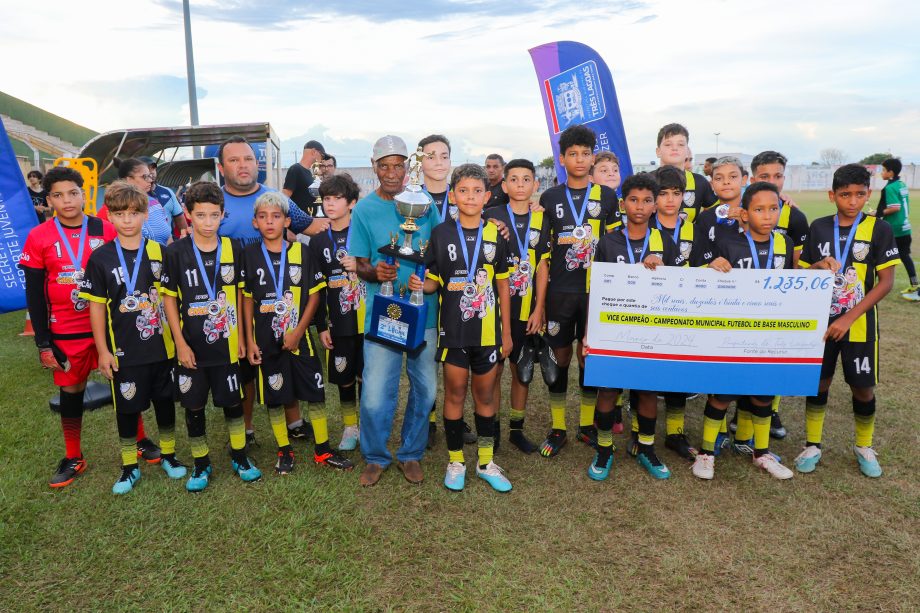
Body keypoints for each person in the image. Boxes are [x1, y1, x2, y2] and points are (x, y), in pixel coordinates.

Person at [20, 166, 158, 488]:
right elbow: (35, 295)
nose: (66, 201)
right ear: (48, 198)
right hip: (67, 331)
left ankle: (138, 439)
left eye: (73, 193)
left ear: (85, 194)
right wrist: (43, 342)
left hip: (112, 327)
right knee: (71, 391)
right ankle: (73, 456)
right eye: (57, 195)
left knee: (126, 384)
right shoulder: (39, 236)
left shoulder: (107, 229)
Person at [216, 136, 328, 447]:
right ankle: (248, 429)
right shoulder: (215, 203)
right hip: (233, 297)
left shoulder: (275, 197)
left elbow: (310, 226)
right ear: (222, 167)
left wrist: (342, 228)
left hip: (279, 295)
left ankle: (294, 422)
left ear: (257, 163)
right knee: (246, 367)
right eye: (235, 160)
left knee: (282, 354)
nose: (243, 165)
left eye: (248, 159)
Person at [79, 181, 187, 494]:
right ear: (109, 217)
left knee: (165, 404)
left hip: (162, 347)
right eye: (119, 213)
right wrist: (103, 351)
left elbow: (172, 300)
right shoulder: (100, 259)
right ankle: (129, 468)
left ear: (145, 215)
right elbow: (97, 309)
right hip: (123, 351)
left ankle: (168, 455)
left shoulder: (161, 253)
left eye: (133, 213)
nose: (127, 219)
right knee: (127, 410)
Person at [795, 164, 899, 478]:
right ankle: (813, 444)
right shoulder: (819, 227)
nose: (852, 201)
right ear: (832, 195)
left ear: (869, 194)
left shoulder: (879, 229)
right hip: (821, 325)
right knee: (819, 383)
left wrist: (849, 318)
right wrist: (816, 265)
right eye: (845, 195)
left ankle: (864, 446)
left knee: (862, 388)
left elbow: (886, 282)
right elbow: (802, 272)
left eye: (859, 194)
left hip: (860, 325)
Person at [349, 135, 441, 487]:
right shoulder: (364, 209)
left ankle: (411, 453)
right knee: (375, 393)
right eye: (384, 165)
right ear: (374, 168)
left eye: (398, 165)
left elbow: (440, 252)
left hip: (423, 311)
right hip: (383, 311)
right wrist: (377, 271)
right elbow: (359, 262)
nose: (391, 172)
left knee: (427, 390)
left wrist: (427, 280)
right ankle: (375, 456)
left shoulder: (425, 204)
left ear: (408, 167)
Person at [416, 163, 513, 492]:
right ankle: (456, 460)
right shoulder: (441, 233)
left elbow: (503, 287)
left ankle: (486, 462)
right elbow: (432, 283)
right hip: (453, 332)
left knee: (485, 395)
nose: (469, 196)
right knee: (455, 393)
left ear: (487, 196)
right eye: (463, 191)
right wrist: (419, 284)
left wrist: (507, 333)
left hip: (488, 333)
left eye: (476, 191)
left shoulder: (497, 234)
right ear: (453, 195)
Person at [690, 181, 796, 481]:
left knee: (763, 395)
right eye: (759, 209)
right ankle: (706, 453)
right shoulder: (728, 243)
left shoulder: (785, 244)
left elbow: (791, 285)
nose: (767, 215)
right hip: (732, 333)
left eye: (773, 209)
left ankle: (762, 454)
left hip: (767, 333)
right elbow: (704, 271)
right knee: (722, 394)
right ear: (744, 214)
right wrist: (712, 263)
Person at [243, 191, 354, 472]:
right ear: (255, 222)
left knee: (315, 392)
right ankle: (284, 451)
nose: (270, 222)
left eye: (276, 217)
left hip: (300, 339)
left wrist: (298, 332)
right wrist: (248, 339)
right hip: (266, 340)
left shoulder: (302, 252)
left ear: (287, 221)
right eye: (263, 217)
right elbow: (246, 299)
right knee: (274, 394)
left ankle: (322, 450)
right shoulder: (249, 255)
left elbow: (315, 296)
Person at [161, 181, 259, 492]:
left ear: (222, 215)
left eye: (214, 216)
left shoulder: (234, 249)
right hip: (192, 347)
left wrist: (244, 337)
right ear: (188, 214)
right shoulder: (175, 252)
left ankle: (240, 456)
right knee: (193, 406)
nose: (207, 222)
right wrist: (179, 343)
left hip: (228, 345)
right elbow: (168, 299)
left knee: (233, 401)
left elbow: (243, 296)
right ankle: (201, 463)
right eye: (200, 215)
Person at [537, 125, 621, 458]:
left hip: (595, 291)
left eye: (586, 153)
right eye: (573, 154)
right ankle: (558, 427)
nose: (580, 159)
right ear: (562, 159)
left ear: (592, 157)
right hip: (560, 290)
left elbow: (616, 244)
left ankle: (586, 425)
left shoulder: (607, 196)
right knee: (560, 357)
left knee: (589, 357)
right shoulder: (550, 198)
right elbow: (541, 249)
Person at [589, 173, 680, 480]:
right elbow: (596, 290)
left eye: (647, 200)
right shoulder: (608, 241)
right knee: (608, 389)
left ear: (655, 206)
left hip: (651, 331)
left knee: (648, 391)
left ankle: (646, 448)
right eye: (633, 200)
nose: (640, 206)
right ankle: (604, 449)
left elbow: (679, 287)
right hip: (614, 330)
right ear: (622, 203)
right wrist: (591, 330)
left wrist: (663, 272)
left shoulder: (664, 242)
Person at [740, 150, 811, 439]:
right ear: (753, 179)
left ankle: (771, 411)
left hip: (777, 303)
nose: (773, 181)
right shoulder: (738, 210)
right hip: (742, 303)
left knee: (772, 359)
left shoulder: (795, 216)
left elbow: (796, 264)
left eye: (778, 176)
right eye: (765, 176)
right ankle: (739, 416)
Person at [483, 159, 548, 453]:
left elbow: (543, 266)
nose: (520, 185)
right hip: (496, 308)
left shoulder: (542, 219)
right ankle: (492, 429)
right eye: (515, 180)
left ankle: (516, 430)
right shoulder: (491, 215)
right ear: (505, 185)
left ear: (536, 185)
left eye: (527, 180)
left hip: (527, 309)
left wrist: (539, 309)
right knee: (494, 371)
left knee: (522, 370)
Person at [310, 174, 366, 451]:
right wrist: (321, 326)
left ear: (352, 203)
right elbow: (317, 289)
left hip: (367, 320)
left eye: (337, 199)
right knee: (344, 377)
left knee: (367, 375)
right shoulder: (318, 242)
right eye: (326, 199)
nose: (330, 204)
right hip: (339, 320)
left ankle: (367, 425)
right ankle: (350, 426)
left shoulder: (365, 232)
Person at [647, 165, 698, 462]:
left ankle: (676, 433)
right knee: (649, 375)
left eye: (676, 194)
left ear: (683, 196)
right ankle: (643, 434)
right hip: (652, 312)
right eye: (662, 194)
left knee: (679, 370)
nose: (669, 200)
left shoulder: (695, 228)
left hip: (686, 311)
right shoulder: (642, 228)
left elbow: (704, 266)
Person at [655, 124, 718, 222]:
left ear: (687, 151)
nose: (674, 148)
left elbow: (715, 214)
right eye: (668, 144)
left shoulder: (700, 182)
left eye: (680, 144)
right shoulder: (646, 180)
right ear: (658, 151)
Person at [874, 158, 916, 297]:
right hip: (905, 227)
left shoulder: (890, 187)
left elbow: (895, 207)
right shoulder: (901, 184)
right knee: (905, 256)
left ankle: (869, 285)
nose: (881, 172)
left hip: (894, 229)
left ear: (890, 172)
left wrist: (877, 213)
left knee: (878, 255)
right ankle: (915, 285)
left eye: (884, 170)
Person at [140, 156, 188, 238]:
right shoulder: (133, 195)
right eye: (148, 168)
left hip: (167, 246)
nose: (152, 172)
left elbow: (179, 218)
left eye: (153, 169)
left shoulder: (168, 192)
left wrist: (185, 239)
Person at [282, 140, 326, 215]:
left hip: (311, 219)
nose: (322, 159)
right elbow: (284, 197)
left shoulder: (309, 172)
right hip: (300, 221)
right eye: (322, 155)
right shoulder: (295, 169)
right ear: (314, 151)